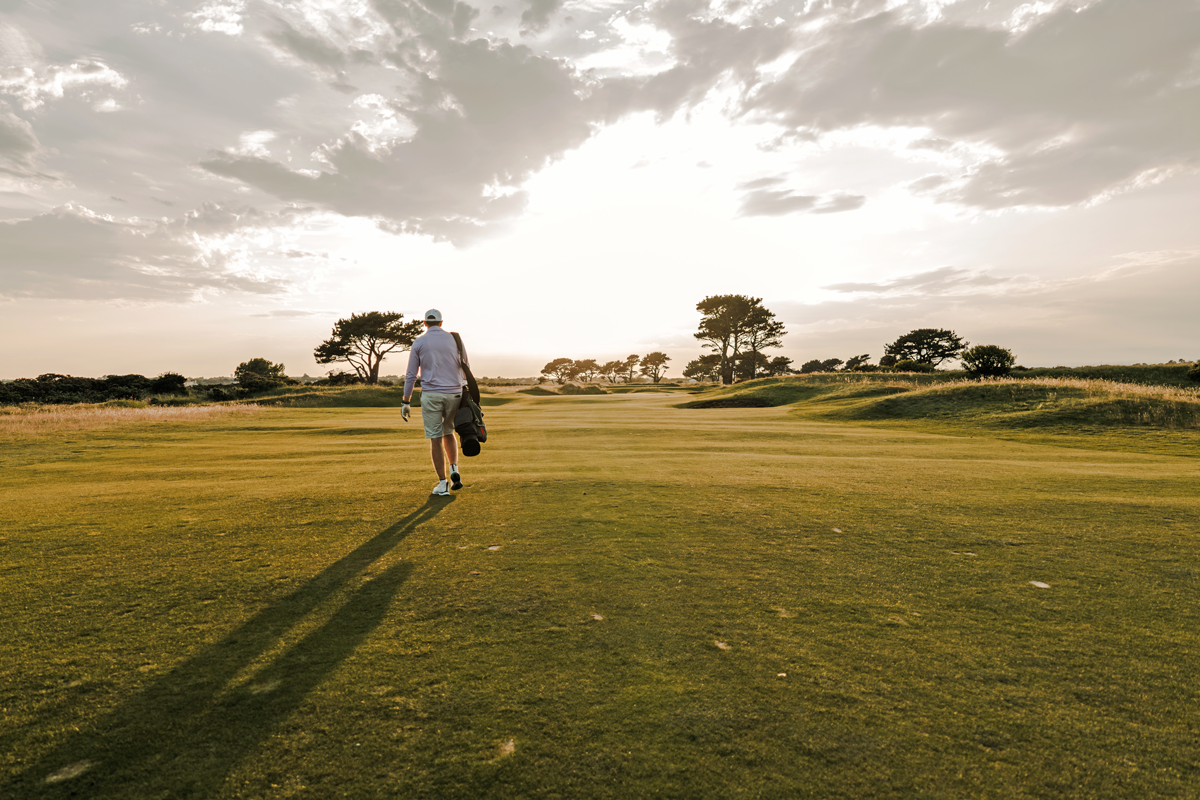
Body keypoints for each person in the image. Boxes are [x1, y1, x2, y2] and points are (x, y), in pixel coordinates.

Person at [402, 309, 470, 496]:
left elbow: (411, 375)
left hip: (431, 395)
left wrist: (405, 401)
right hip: (454, 394)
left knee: (435, 438)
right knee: (448, 432)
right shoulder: (455, 339)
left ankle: (443, 484)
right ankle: (454, 469)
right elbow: (466, 367)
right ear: (441, 322)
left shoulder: (419, 342)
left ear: (425, 323)